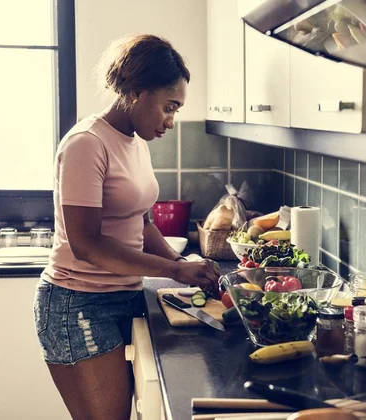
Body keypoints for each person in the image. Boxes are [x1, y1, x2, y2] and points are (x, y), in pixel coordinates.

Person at [33, 34, 220, 420]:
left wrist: (183, 266)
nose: (171, 120)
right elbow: (87, 244)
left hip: (124, 295)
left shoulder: (135, 142)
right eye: (169, 107)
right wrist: (172, 270)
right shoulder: (87, 143)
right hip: (78, 303)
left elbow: (143, 220)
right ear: (136, 93)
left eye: (177, 111)